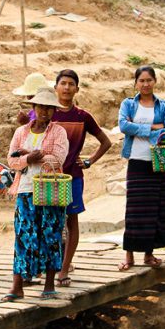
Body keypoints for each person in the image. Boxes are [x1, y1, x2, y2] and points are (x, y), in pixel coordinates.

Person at [0, 87, 70, 302]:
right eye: (41, 107)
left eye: (49, 108)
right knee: (23, 236)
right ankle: (17, 286)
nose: (45, 112)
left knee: (50, 235)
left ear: (53, 111)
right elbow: (11, 160)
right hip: (25, 189)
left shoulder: (59, 132)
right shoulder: (21, 132)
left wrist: (29, 155)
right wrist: (28, 159)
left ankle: (49, 285)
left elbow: (58, 158)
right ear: (34, 107)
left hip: (49, 189)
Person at [52, 69, 113, 286]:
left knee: (71, 221)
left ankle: (65, 268)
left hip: (73, 178)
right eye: (63, 83)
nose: (67, 87)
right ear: (55, 87)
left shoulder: (82, 116)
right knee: (49, 221)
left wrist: (89, 161)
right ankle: (52, 265)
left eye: (71, 84)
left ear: (77, 89)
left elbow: (106, 142)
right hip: (48, 179)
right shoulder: (46, 113)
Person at [117, 66, 165, 270]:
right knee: (134, 210)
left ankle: (148, 254)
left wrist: (142, 130)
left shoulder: (164, 106)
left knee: (156, 209)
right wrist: (154, 128)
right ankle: (129, 256)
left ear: (155, 82)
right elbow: (123, 126)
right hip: (136, 160)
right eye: (141, 80)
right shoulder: (128, 104)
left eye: (149, 80)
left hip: (159, 162)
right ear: (136, 83)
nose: (145, 84)